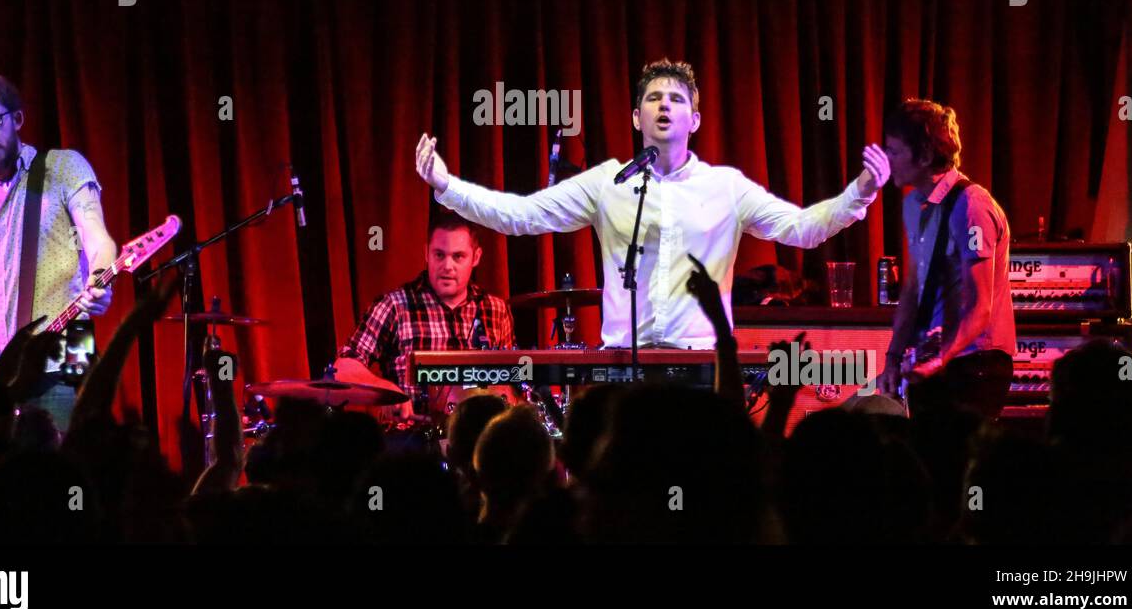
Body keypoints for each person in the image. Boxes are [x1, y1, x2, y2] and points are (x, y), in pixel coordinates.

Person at [416, 58, 889, 348]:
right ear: (636, 116)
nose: (665, 106)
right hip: (626, 365)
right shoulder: (608, 183)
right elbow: (521, 216)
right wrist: (447, 185)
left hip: (701, 363)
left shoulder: (725, 186)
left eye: (677, 99)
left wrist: (859, 193)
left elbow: (801, 229)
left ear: (696, 118)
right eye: (654, 98)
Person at [0, 74, 116, 431]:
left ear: (16, 119)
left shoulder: (63, 168)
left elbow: (98, 239)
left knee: (53, 464)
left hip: (64, 348)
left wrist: (99, 279)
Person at [875, 99, 1016, 419]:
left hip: (975, 363)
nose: (888, 160)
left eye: (894, 151)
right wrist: (894, 358)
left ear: (924, 156)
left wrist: (940, 359)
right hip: (937, 360)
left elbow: (980, 307)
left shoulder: (972, 206)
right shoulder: (915, 204)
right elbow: (912, 289)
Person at [333, 213, 516, 417]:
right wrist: (386, 390)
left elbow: (509, 379)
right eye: (439, 255)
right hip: (414, 437)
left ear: (476, 257)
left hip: (478, 437)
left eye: (458, 256)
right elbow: (343, 367)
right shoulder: (394, 306)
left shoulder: (495, 309)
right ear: (426, 253)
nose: (447, 266)